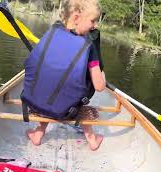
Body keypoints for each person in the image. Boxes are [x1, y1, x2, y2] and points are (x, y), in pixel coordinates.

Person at [22, 0, 106, 151]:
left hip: (34, 103)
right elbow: (99, 86)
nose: (95, 26)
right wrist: (102, 73)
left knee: (52, 84)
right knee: (82, 99)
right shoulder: (89, 46)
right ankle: (92, 139)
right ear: (76, 18)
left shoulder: (52, 33)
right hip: (67, 111)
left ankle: (38, 134)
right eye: (93, 20)